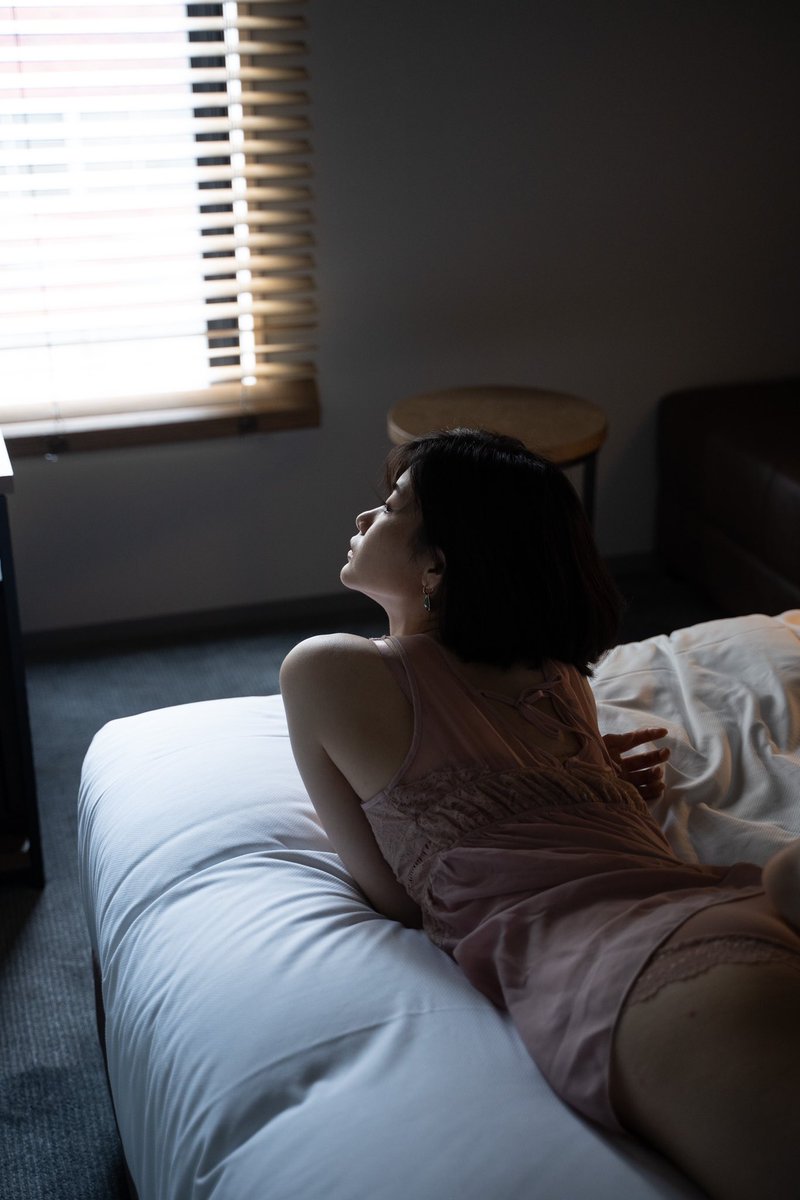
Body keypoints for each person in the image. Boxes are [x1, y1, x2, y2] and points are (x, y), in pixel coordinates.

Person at [280, 428, 800, 1200]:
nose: (365, 516)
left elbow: (398, 897)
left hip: (622, 963)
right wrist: (587, 791)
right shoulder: (558, 679)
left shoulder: (328, 669)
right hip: (724, 907)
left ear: (436, 565)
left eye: (390, 506)